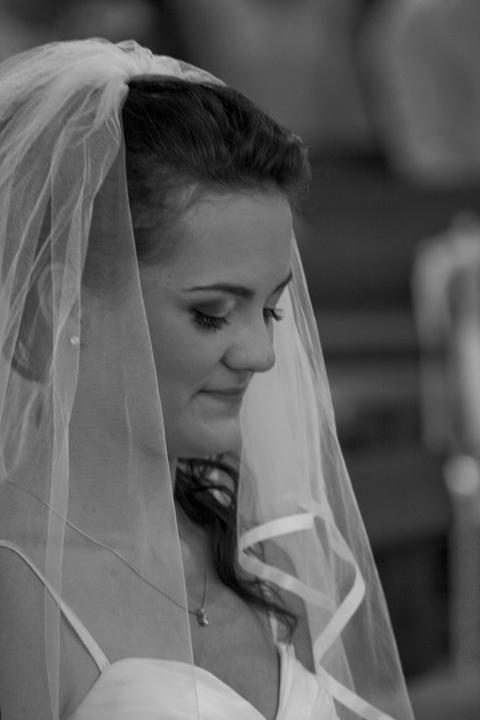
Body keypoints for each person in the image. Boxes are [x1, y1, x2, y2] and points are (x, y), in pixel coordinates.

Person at [0, 39, 413, 720]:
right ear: (60, 307)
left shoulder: (263, 555)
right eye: (212, 313)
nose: (262, 354)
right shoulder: (16, 588)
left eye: (271, 309)